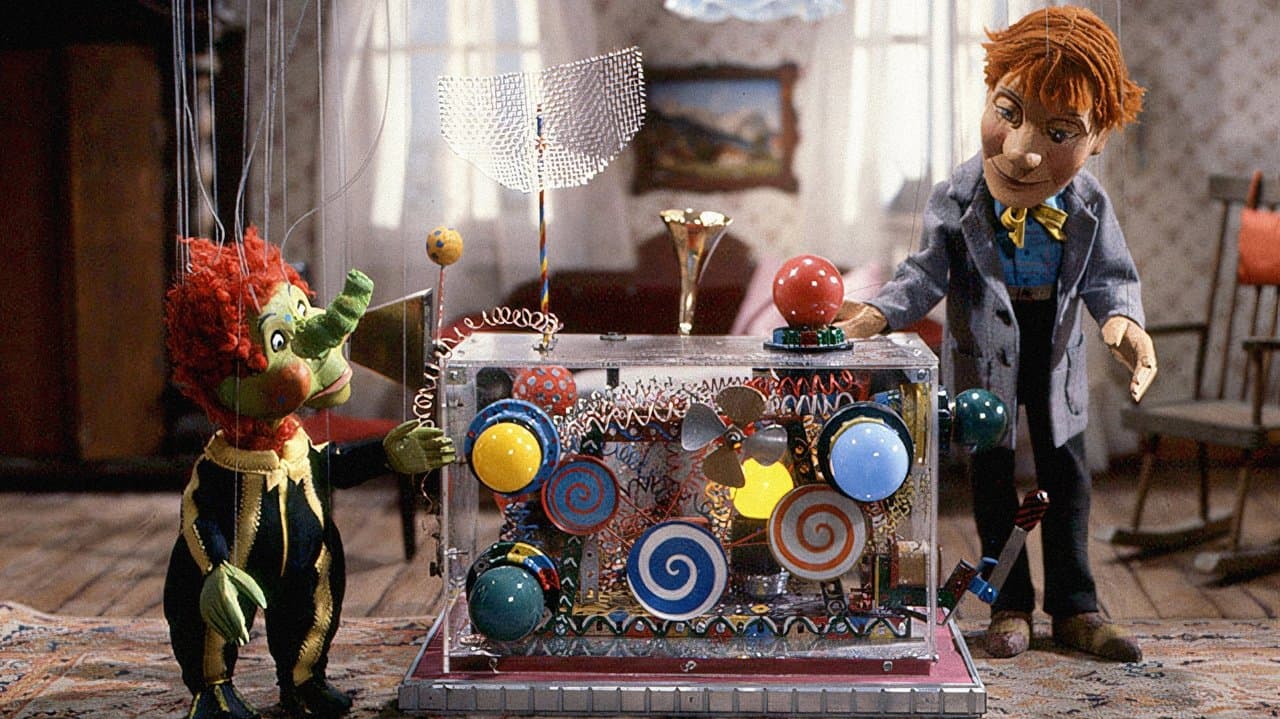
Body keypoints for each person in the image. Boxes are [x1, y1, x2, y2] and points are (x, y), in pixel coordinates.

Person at [836, 6, 1156, 662]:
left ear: (1097, 139)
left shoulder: (1089, 202)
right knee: (990, 477)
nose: (1021, 149)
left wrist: (1123, 323)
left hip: (1056, 347)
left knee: (1067, 476)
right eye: (1008, 112)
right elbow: (923, 274)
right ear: (988, 95)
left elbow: (1111, 277)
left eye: (1060, 131)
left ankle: (1076, 606)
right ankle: (1009, 602)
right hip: (984, 352)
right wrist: (876, 312)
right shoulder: (960, 194)